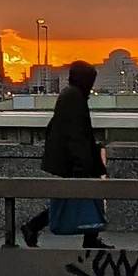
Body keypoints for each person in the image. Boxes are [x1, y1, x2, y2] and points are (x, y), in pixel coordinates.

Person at [21, 60, 113, 250]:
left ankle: (34, 227)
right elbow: (75, 134)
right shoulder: (75, 97)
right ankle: (34, 226)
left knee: (68, 198)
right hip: (76, 161)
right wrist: (82, 163)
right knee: (78, 197)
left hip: (73, 159)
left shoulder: (70, 94)